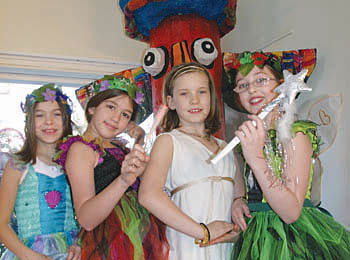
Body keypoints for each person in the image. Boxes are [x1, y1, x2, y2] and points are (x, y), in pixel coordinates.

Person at [227, 51, 350, 259]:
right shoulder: (244, 139)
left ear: (281, 84)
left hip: (293, 241)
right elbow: (244, 182)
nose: (252, 89)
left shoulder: (295, 135)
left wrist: (256, 158)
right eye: (243, 84)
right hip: (256, 238)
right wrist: (238, 200)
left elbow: (291, 213)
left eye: (261, 80)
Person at [55, 76, 169, 260]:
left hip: (141, 236)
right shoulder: (81, 149)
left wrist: (139, 140)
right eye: (110, 107)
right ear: (92, 108)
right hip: (109, 244)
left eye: (125, 114)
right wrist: (124, 181)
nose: (116, 118)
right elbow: (87, 219)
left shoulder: (119, 148)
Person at [138, 62, 238, 260]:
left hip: (224, 250)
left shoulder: (226, 147)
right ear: (171, 101)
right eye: (184, 94)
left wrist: (235, 225)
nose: (194, 100)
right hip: (186, 248)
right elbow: (148, 195)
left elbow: (236, 193)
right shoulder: (168, 141)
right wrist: (203, 232)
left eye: (202, 92)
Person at [0, 84, 80, 260]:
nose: (49, 121)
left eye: (56, 114)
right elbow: (1, 223)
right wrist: (28, 255)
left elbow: (84, 213)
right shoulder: (17, 165)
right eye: (40, 115)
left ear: (66, 119)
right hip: (29, 254)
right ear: (30, 121)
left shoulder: (73, 164)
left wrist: (79, 243)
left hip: (70, 254)